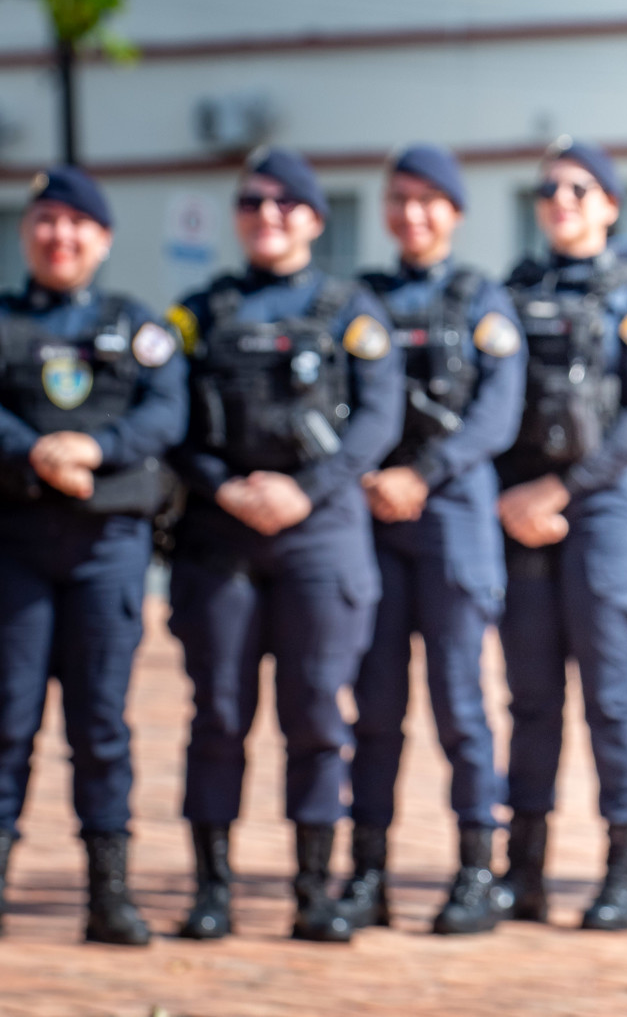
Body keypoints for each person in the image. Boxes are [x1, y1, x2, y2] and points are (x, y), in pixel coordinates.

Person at [0, 166, 188, 947]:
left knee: (102, 725)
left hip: (107, 548)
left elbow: (167, 409)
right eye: (45, 221)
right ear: (26, 233)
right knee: (6, 720)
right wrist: (38, 451)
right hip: (14, 545)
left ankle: (109, 895)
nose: (59, 236)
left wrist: (96, 446)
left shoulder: (136, 325)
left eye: (77, 224)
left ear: (103, 239)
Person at [163, 148, 403, 944]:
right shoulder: (199, 313)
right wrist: (226, 486)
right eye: (252, 203)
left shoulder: (349, 310)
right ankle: (212, 890)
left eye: (284, 204)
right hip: (220, 537)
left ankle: (311, 891)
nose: (267, 216)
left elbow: (377, 418)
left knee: (314, 716)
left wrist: (307, 487)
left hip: (319, 534)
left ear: (313, 218)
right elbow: (174, 424)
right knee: (220, 715)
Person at [496, 138, 627, 931]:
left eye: (578, 189)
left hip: (606, 510)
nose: (561, 201)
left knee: (611, 699)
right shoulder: (509, 293)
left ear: (609, 203)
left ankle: (625, 875)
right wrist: (514, 496)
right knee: (531, 699)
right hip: (524, 514)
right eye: (549, 191)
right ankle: (522, 872)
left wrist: (559, 487)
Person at [349, 144, 527, 936]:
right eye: (400, 199)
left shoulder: (481, 299)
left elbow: (498, 413)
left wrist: (420, 473)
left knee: (461, 706)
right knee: (376, 708)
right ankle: (368, 874)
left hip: (452, 519)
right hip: (374, 523)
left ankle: (474, 874)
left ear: (454, 212)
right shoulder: (362, 299)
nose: (412, 215)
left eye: (429, 201)